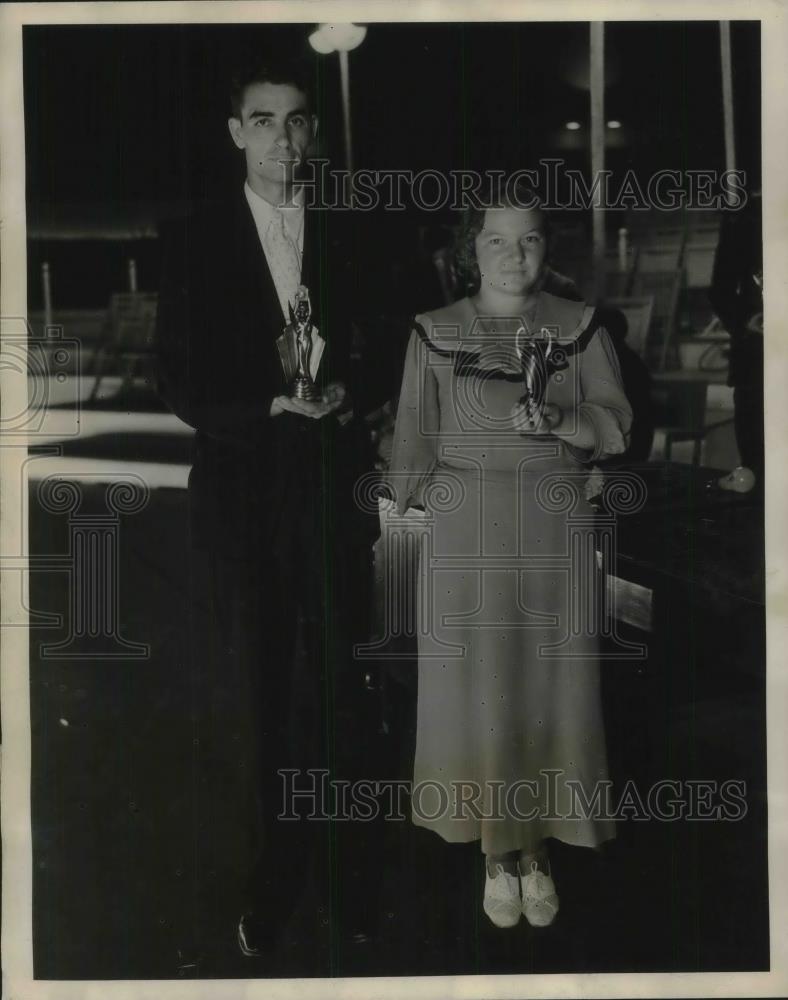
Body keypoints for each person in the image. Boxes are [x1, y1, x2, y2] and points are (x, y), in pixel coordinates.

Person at [156, 56, 378, 962]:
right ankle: (266, 880)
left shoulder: (350, 228)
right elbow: (179, 378)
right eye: (266, 120)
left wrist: (348, 397)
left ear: (311, 132)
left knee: (337, 692)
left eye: (298, 121)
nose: (285, 138)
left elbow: (381, 342)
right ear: (236, 132)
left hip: (331, 493)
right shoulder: (196, 237)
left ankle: (343, 874)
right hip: (244, 499)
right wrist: (269, 407)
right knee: (255, 700)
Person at [386, 184, 632, 930]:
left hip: (553, 528)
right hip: (465, 534)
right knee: (480, 696)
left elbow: (616, 424)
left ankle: (539, 848)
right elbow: (411, 439)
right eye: (497, 240)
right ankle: (498, 851)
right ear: (472, 249)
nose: (514, 253)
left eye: (528, 239)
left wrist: (561, 417)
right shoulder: (432, 330)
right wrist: (398, 520)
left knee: (547, 692)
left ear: (544, 247)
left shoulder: (581, 327)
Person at [708, 190, 763, 493]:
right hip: (757, 361)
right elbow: (720, 290)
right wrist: (746, 319)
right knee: (757, 467)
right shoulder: (745, 217)